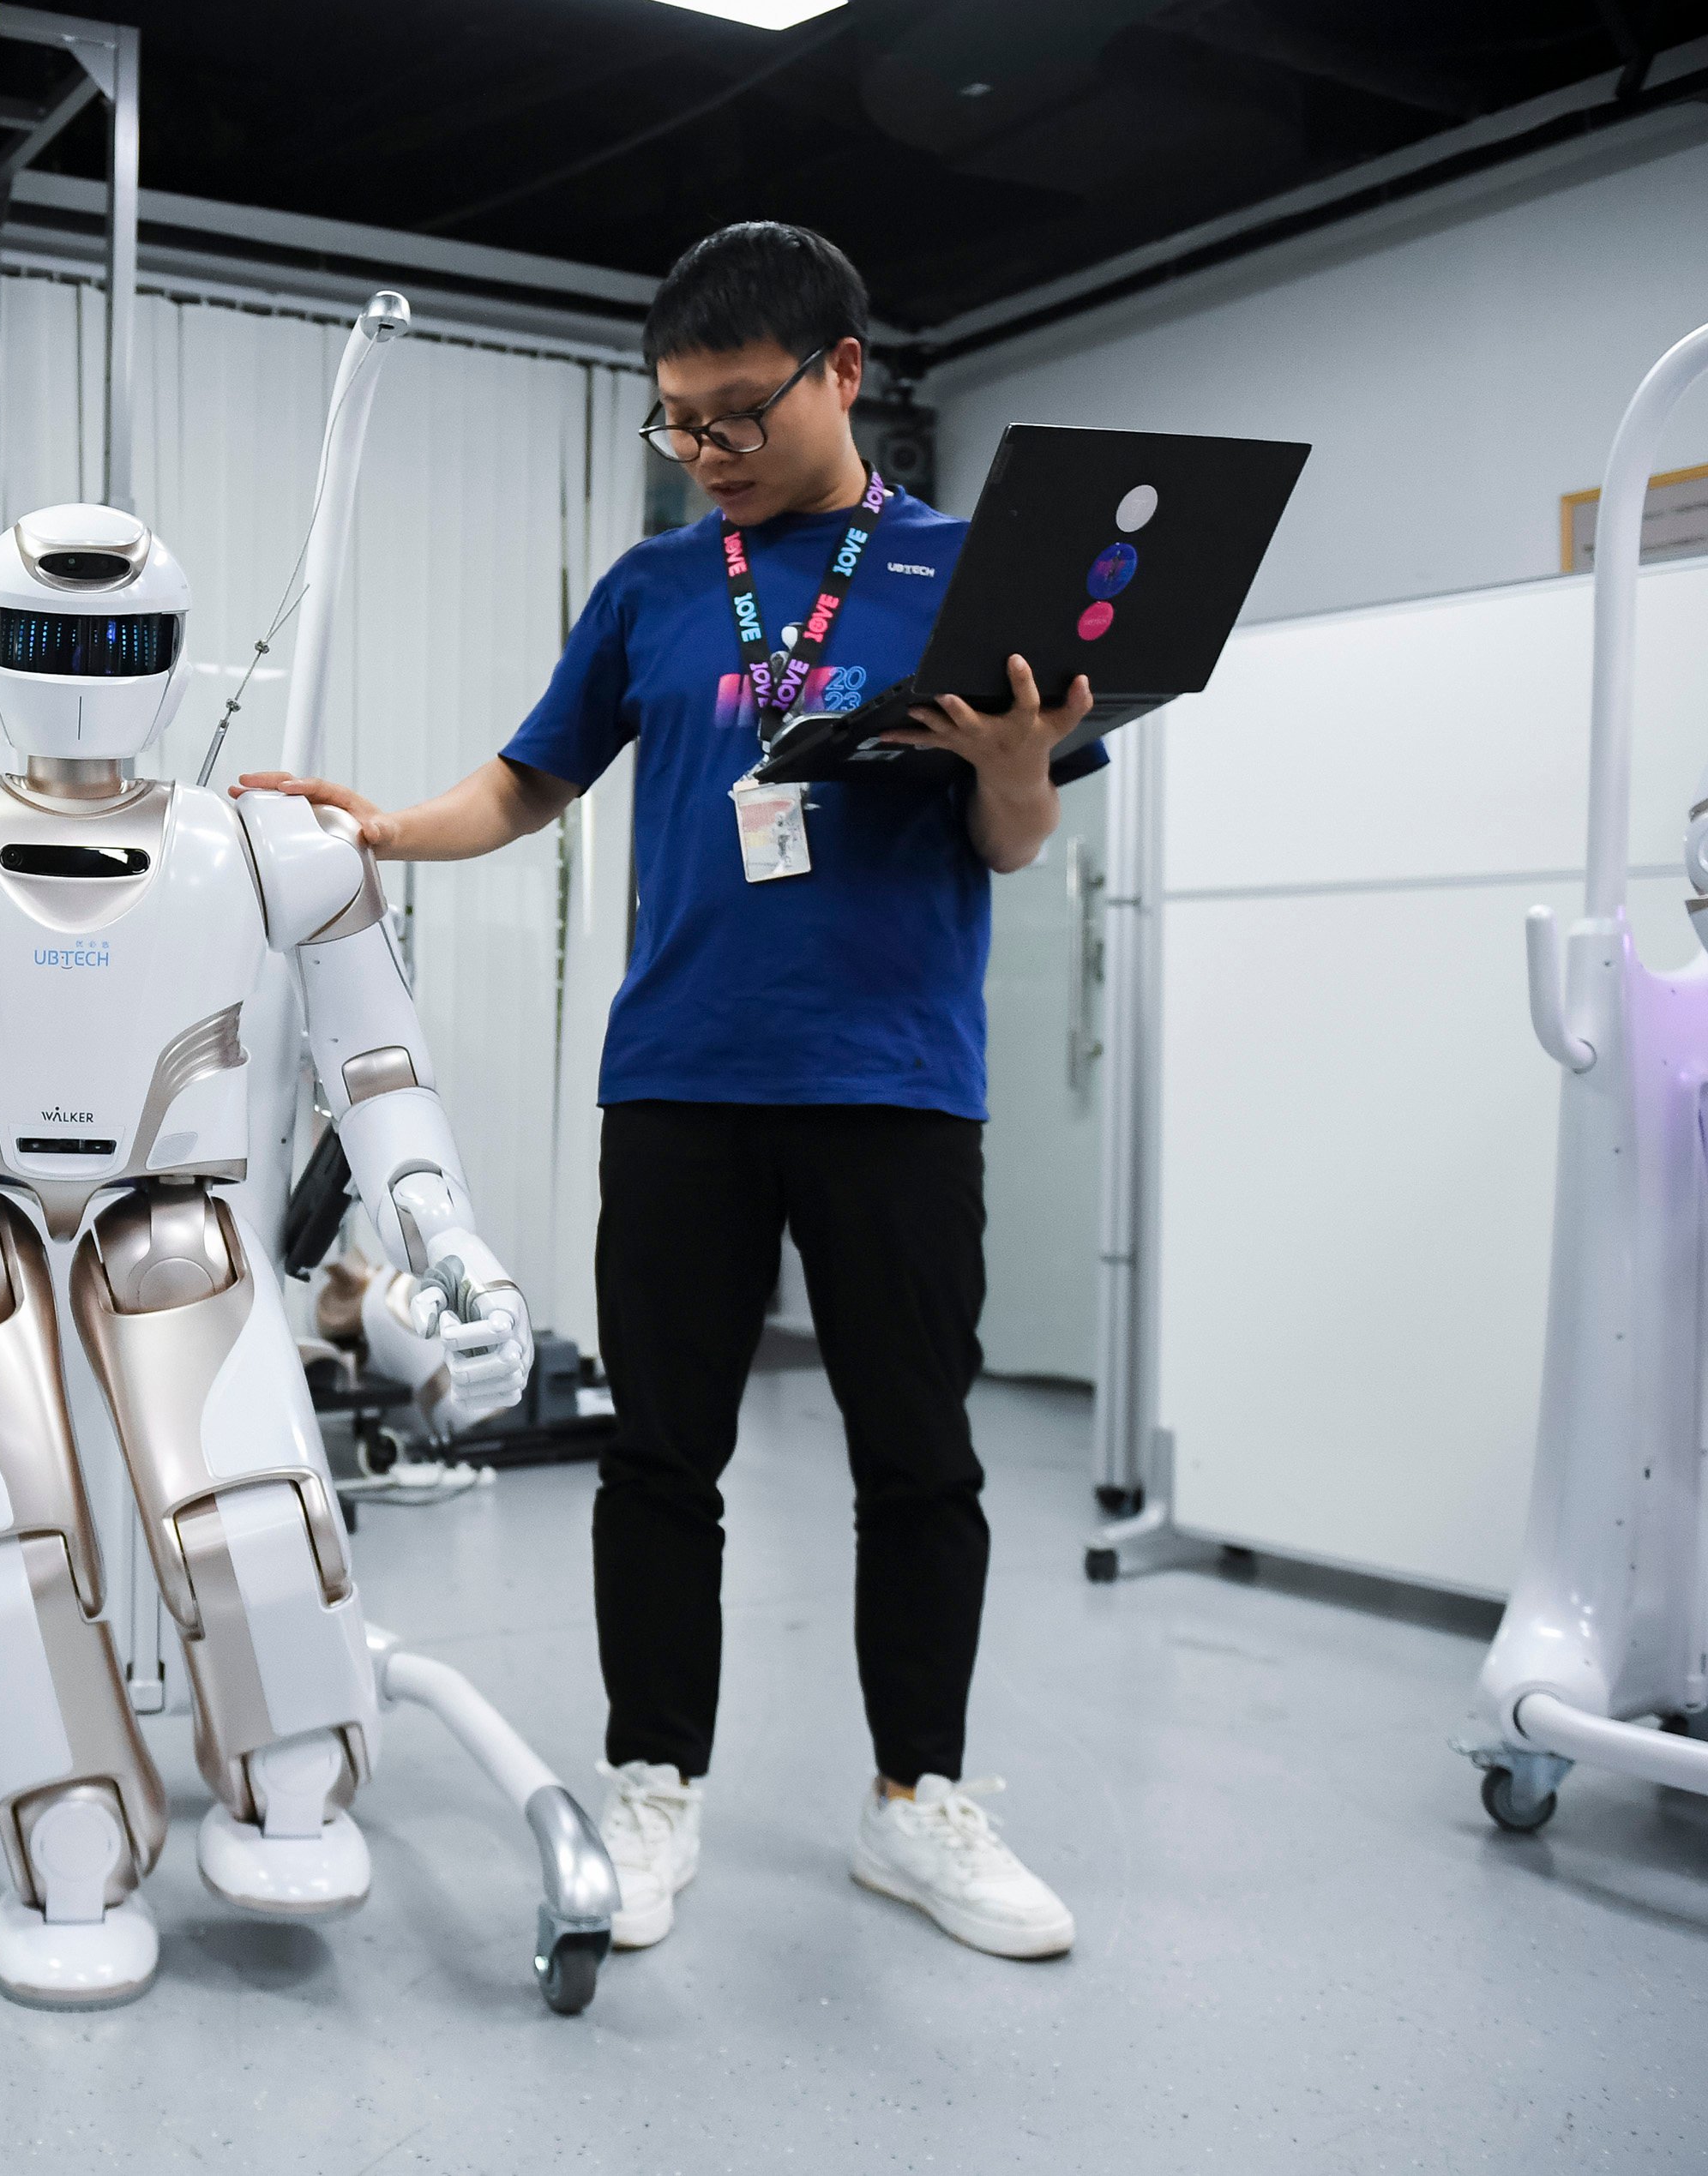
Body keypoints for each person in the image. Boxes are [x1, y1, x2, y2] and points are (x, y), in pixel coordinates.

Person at [238, 220, 1097, 1961]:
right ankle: (652, 1782)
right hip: (683, 1080)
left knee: (917, 1459)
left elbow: (1008, 839)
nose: (703, 450)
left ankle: (914, 1801)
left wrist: (1013, 767)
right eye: (676, 422)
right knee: (658, 1456)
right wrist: (386, 829)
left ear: (840, 372)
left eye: (732, 414)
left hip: (894, 1087)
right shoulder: (650, 588)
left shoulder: (959, 572)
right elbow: (529, 778)